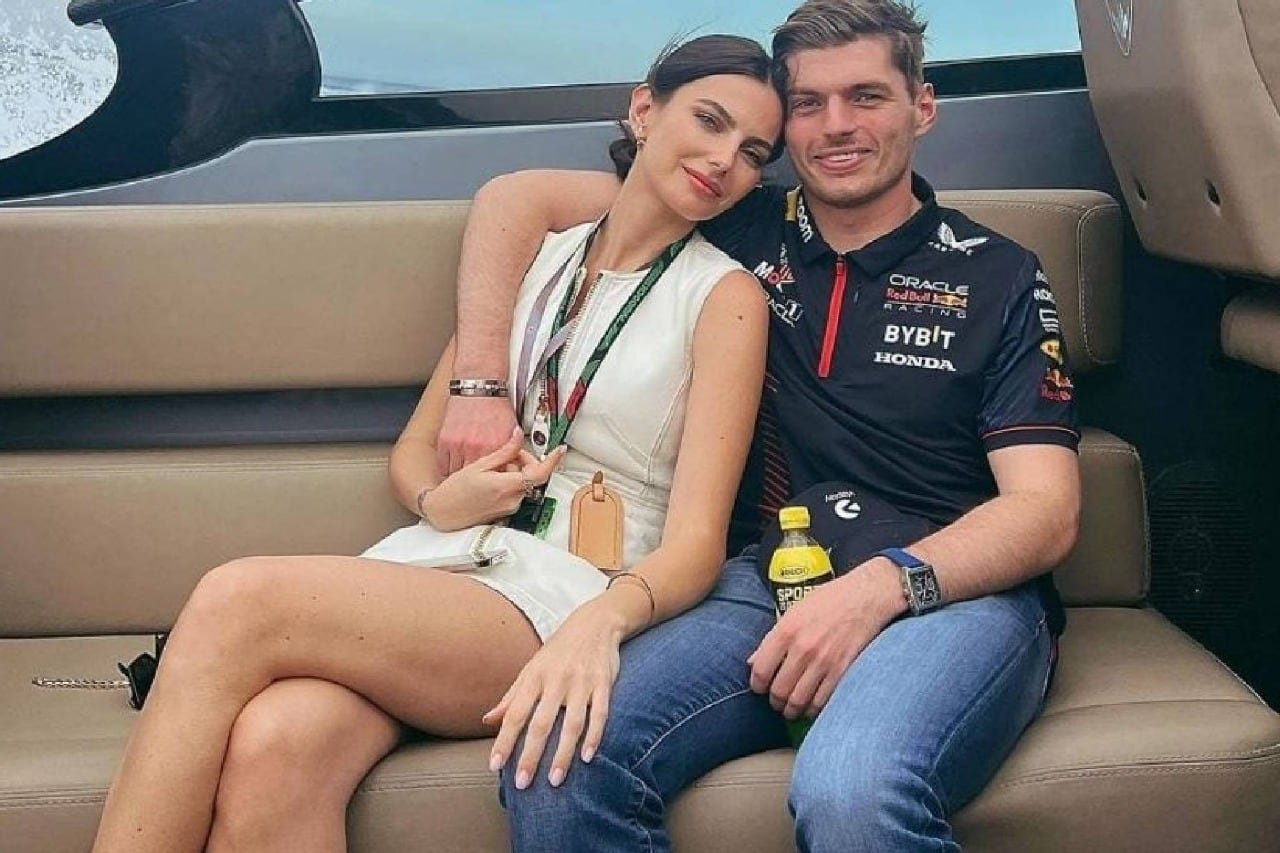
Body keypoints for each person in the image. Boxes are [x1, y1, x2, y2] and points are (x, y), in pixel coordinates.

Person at [90, 34, 783, 853]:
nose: (724, 160)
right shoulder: (541, 257)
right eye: (709, 121)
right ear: (643, 109)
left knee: (235, 598)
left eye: (753, 153)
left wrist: (601, 623)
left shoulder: (726, 297)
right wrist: (440, 498)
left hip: (564, 596)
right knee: (276, 745)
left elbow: (698, 542)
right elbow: (414, 453)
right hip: (442, 560)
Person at [436, 1, 1082, 850]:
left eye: (866, 96)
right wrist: (480, 385)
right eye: (808, 103)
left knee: (851, 792)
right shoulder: (736, 221)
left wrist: (879, 588)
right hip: (761, 580)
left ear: (921, 108)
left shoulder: (997, 273)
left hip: (951, 594)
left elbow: (1045, 511)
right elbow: (516, 199)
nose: (835, 125)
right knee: (560, 752)